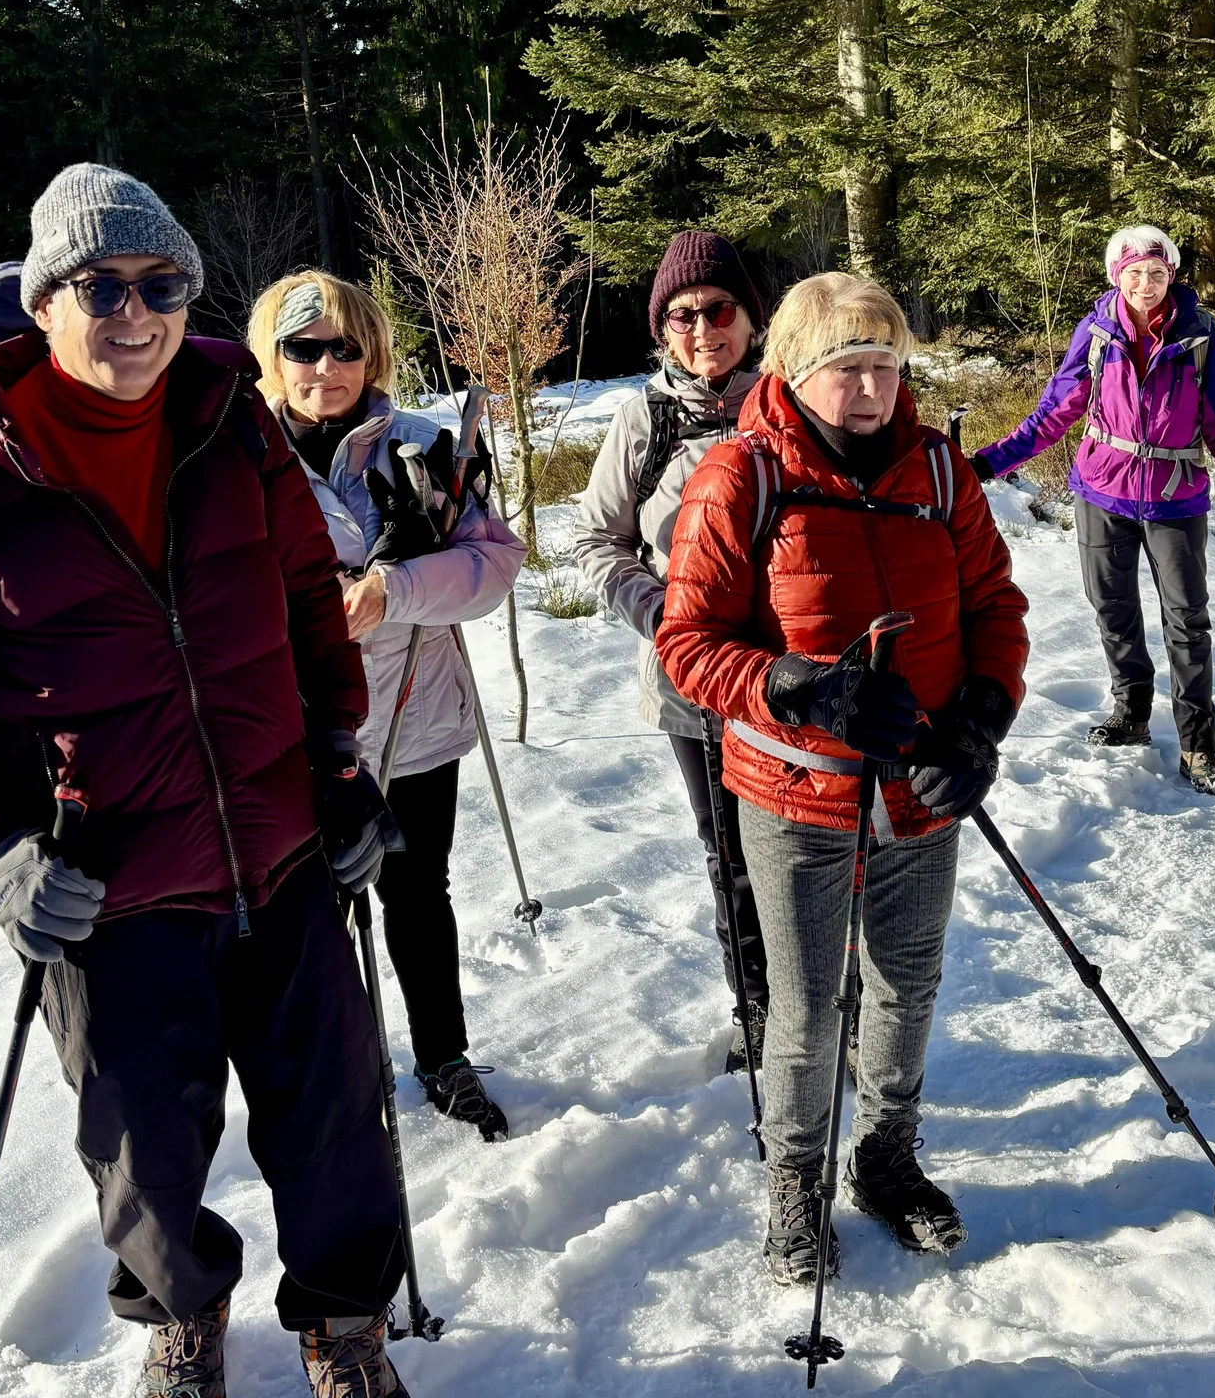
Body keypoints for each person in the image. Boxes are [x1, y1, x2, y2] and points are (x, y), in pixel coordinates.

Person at [0, 165, 417, 1398]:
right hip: (105, 887)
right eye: (104, 284)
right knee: (145, 1159)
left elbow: (300, 598)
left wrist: (336, 757)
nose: (139, 312)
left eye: (165, 284)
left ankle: (343, 1321)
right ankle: (183, 1317)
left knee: (336, 1121)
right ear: (46, 301)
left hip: (279, 845)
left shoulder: (227, 410)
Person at [658, 272, 1030, 1284]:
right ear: (792, 369)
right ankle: (794, 1180)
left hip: (920, 788)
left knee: (907, 986)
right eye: (845, 369)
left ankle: (887, 1158)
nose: (869, 389)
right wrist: (793, 686)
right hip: (792, 793)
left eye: (883, 366)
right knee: (809, 1005)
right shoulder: (740, 476)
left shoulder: (940, 473)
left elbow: (997, 607)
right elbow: (684, 644)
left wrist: (983, 720)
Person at [249, 269, 526, 1137]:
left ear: (372, 353)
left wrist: (395, 587)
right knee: (318, 909)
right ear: (272, 354)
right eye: (303, 346)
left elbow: (494, 566)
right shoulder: (238, 454)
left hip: (416, 713)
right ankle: (339, 1066)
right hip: (300, 728)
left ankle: (443, 1055)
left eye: (344, 346)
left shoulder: (424, 442)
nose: (324, 366)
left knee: (418, 890)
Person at [970, 224, 1215, 796]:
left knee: (1188, 621)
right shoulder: (1096, 333)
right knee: (1112, 608)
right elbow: (1054, 413)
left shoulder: (1197, 336)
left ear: (1172, 276)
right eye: (1134, 273)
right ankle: (1132, 712)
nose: (1146, 284)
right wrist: (987, 464)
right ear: (1117, 276)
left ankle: (1197, 743)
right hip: (1101, 490)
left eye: (1157, 273)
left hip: (1176, 496)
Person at [571, 231, 769, 1071]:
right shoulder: (642, 417)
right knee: (728, 849)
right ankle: (757, 1005)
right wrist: (663, 616)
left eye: (719, 309)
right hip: (692, 680)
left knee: (819, 850)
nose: (703, 329)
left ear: (752, 319)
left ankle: (838, 1001)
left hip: (796, 675)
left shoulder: (791, 403)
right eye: (682, 315)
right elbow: (593, 538)